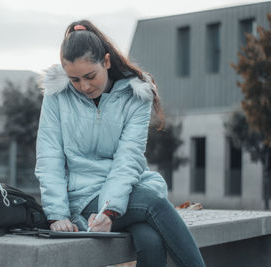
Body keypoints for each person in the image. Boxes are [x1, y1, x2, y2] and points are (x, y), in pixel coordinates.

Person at [35, 20, 205, 267]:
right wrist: (57, 215)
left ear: (106, 61)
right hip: (81, 196)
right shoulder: (56, 95)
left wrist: (109, 210)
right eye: (74, 80)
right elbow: (49, 157)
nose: (84, 86)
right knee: (153, 204)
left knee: (150, 241)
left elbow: (129, 156)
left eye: (90, 76)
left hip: (124, 192)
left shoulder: (135, 95)